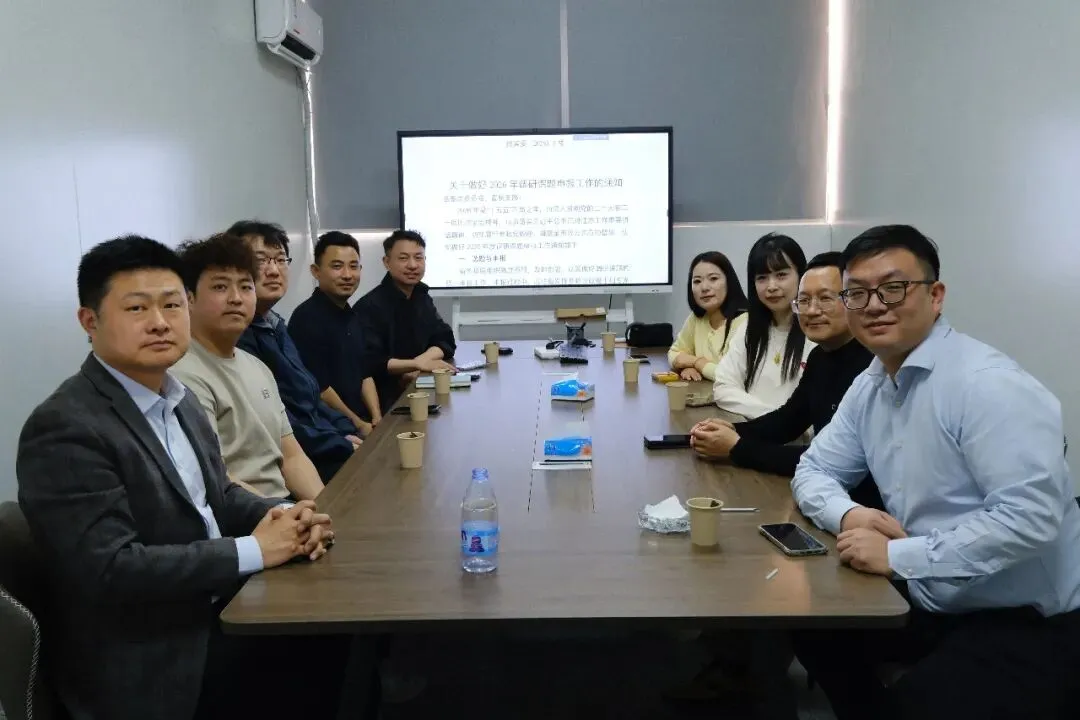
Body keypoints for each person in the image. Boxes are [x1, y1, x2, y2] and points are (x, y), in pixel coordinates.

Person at [16, 235, 344, 720]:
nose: (159, 322)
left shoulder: (177, 399)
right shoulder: (66, 426)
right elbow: (110, 570)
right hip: (155, 654)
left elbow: (219, 494)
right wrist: (256, 549)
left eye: (171, 305)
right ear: (90, 321)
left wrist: (287, 517)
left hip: (214, 603)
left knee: (348, 640)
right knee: (335, 659)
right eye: (136, 308)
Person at [791, 225, 1080, 720]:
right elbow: (814, 468)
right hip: (932, 593)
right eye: (857, 293)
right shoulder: (872, 384)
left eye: (893, 288)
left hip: (1025, 617)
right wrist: (849, 515)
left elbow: (1028, 519)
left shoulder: (986, 385)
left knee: (920, 705)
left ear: (936, 295)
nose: (874, 305)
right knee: (808, 623)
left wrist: (896, 555)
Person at [690, 252, 876, 486]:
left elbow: (829, 460)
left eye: (825, 299)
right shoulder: (821, 356)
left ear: (854, 299)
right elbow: (787, 421)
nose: (812, 310)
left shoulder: (873, 366)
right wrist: (728, 429)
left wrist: (737, 447)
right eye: (804, 300)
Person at [172, 233, 325, 502]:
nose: (236, 298)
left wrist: (326, 509)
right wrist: (287, 515)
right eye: (220, 287)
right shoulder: (180, 376)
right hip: (243, 516)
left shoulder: (257, 367)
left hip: (285, 508)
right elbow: (216, 477)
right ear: (189, 298)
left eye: (246, 287)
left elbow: (292, 457)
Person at [228, 220, 362, 482]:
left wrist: (347, 429)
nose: (273, 270)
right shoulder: (238, 338)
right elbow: (280, 423)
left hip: (325, 444)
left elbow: (310, 397)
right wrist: (341, 442)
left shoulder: (276, 326)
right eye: (261, 260)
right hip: (300, 462)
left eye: (280, 260)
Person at [712, 233, 814, 419]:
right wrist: (775, 419)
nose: (771, 286)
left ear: (801, 275)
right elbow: (723, 387)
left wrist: (780, 423)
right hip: (756, 430)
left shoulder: (816, 331)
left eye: (781, 275)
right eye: (762, 278)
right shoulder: (748, 328)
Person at [354, 230, 457, 413]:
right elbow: (370, 362)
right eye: (403, 258)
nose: (412, 265)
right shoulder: (370, 306)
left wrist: (422, 361)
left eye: (418, 258)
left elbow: (445, 338)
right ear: (386, 262)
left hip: (421, 389)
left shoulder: (421, 296)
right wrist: (414, 365)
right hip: (386, 401)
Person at [288, 230, 382, 427]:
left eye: (353, 266)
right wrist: (359, 425)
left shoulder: (352, 315)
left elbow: (365, 373)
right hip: (333, 428)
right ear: (316, 271)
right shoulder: (306, 318)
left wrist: (376, 418)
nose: (347, 275)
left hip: (362, 422)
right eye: (337, 266)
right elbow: (320, 389)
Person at [667, 251, 748, 382]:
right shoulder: (697, 318)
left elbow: (733, 376)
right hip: (704, 393)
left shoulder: (746, 321)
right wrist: (687, 366)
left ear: (729, 281)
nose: (704, 287)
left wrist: (697, 363)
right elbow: (675, 353)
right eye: (697, 281)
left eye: (713, 279)